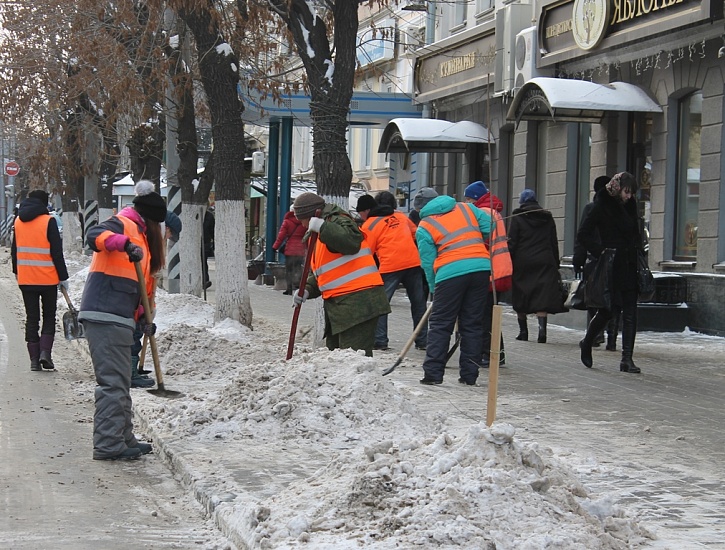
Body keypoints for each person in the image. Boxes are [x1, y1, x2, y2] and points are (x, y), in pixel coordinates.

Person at [79, 180, 166, 460]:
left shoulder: (142, 239)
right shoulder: (123, 225)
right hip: (104, 313)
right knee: (113, 384)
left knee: (120, 382)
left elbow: (140, 287)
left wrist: (144, 318)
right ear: (151, 220)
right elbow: (94, 236)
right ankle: (107, 444)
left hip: (118, 315)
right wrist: (122, 243)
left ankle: (123, 437)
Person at [291, 192, 390, 357]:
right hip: (342, 307)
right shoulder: (318, 232)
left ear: (312, 215)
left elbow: (351, 241)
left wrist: (322, 227)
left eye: (302, 220)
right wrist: (307, 288)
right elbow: (324, 270)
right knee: (339, 360)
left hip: (359, 305)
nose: (301, 225)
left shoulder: (337, 221)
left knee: (354, 361)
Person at [416, 191, 491, 386]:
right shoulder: (467, 208)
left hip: (450, 274)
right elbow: (489, 225)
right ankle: (469, 375)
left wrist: (434, 288)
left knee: (441, 323)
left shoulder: (425, 226)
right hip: (481, 267)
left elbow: (428, 261)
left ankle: (432, 374)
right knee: (473, 324)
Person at [577, 172, 643, 373]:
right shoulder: (601, 205)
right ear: (616, 188)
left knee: (631, 312)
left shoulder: (630, 206)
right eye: (626, 192)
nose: (629, 196)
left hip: (630, 264)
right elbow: (583, 234)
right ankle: (587, 342)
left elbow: (635, 234)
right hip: (612, 266)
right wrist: (600, 251)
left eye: (631, 193)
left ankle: (627, 359)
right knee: (608, 311)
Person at [359, 191, 429, 351]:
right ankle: (423, 341)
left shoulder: (370, 224)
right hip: (412, 262)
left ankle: (380, 341)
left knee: (381, 305)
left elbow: (367, 250)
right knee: (418, 303)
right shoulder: (402, 217)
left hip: (390, 265)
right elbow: (416, 234)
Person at [11, 189, 69, 371]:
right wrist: (63, 277)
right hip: (48, 279)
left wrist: (17, 272)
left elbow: (14, 251)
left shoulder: (18, 221)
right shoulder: (48, 221)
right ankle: (45, 353)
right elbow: (56, 253)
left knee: (32, 318)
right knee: (49, 316)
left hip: (26, 279)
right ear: (44, 204)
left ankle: (34, 360)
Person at [508, 189, 567, 344]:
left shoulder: (517, 217)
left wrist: (509, 260)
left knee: (521, 294)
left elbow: (512, 242)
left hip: (523, 261)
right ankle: (542, 331)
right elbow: (553, 241)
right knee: (542, 296)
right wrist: (556, 262)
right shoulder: (547, 217)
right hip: (544, 260)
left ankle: (523, 332)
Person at [463, 181, 512, 367]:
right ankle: (496, 354)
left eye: (468, 199)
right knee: (490, 314)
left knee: (483, 316)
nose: (466, 202)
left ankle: (489, 354)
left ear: (475, 198)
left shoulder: (482, 214)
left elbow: (479, 242)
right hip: (499, 268)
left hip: (489, 270)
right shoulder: (493, 212)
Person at [573, 176, 620, 350]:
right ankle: (612, 338)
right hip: (615, 261)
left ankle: (596, 335)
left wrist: (578, 261)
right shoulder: (617, 210)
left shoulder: (591, 209)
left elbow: (582, 237)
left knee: (595, 298)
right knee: (614, 299)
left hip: (596, 261)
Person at [272, 207, 307, 295]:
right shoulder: (304, 221)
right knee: (298, 268)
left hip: (290, 250)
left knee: (289, 270)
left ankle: (289, 289)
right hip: (300, 249)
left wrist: (275, 247)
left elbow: (281, 236)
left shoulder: (287, 221)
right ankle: (299, 287)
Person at [202, 205, 215, 289]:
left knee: (203, 262)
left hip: (205, 243)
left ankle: (205, 281)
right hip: (194, 242)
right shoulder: (193, 214)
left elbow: (212, 230)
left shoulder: (209, 216)